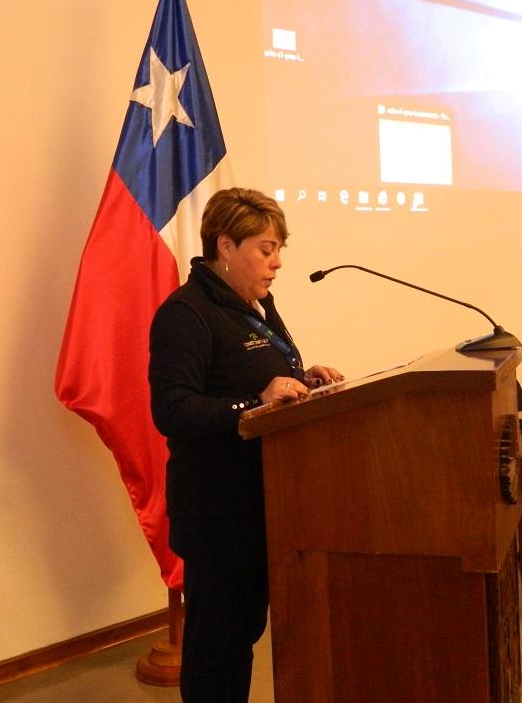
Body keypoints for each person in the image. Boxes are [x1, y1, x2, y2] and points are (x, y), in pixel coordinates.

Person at [148, 187, 342, 702]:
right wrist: (251, 404)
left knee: (241, 639)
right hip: (217, 515)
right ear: (226, 246)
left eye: (280, 249)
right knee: (216, 647)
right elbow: (172, 410)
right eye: (266, 248)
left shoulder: (254, 306)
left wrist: (305, 378)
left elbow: (265, 377)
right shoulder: (185, 314)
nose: (277, 262)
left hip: (264, 504)